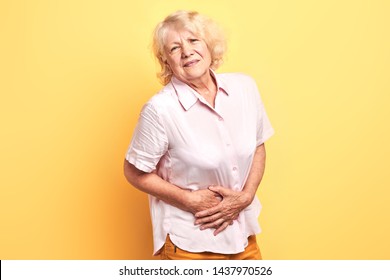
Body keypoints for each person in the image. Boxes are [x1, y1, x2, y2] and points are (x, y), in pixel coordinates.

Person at [124, 10, 274, 260]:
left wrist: (246, 197)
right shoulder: (160, 110)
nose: (186, 52)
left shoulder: (245, 88)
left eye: (193, 41)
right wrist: (188, 200)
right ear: (166, 61)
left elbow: (258, 144)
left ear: (209, 45)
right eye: (174, 48)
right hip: (189, 245)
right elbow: (134, 171)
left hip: (243, 238)